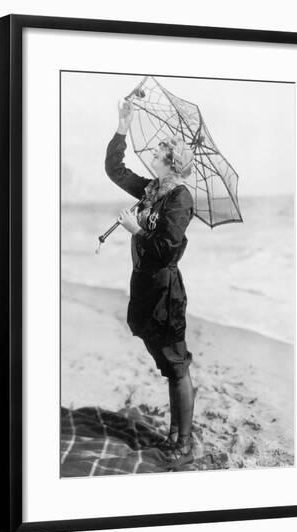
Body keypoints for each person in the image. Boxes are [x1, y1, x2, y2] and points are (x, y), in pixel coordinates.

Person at [105, 99, 195, 469]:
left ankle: (184, 443)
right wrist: (123, 126)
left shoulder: (179, 197)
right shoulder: (152, 190)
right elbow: (115, 169)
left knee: (176, 366)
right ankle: (175, 435)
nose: (153, 152)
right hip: (145, 288)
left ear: (170, 162)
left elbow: (168, 250)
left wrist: (136, 228)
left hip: (165, 291)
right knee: (164, 361)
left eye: (159, 150)